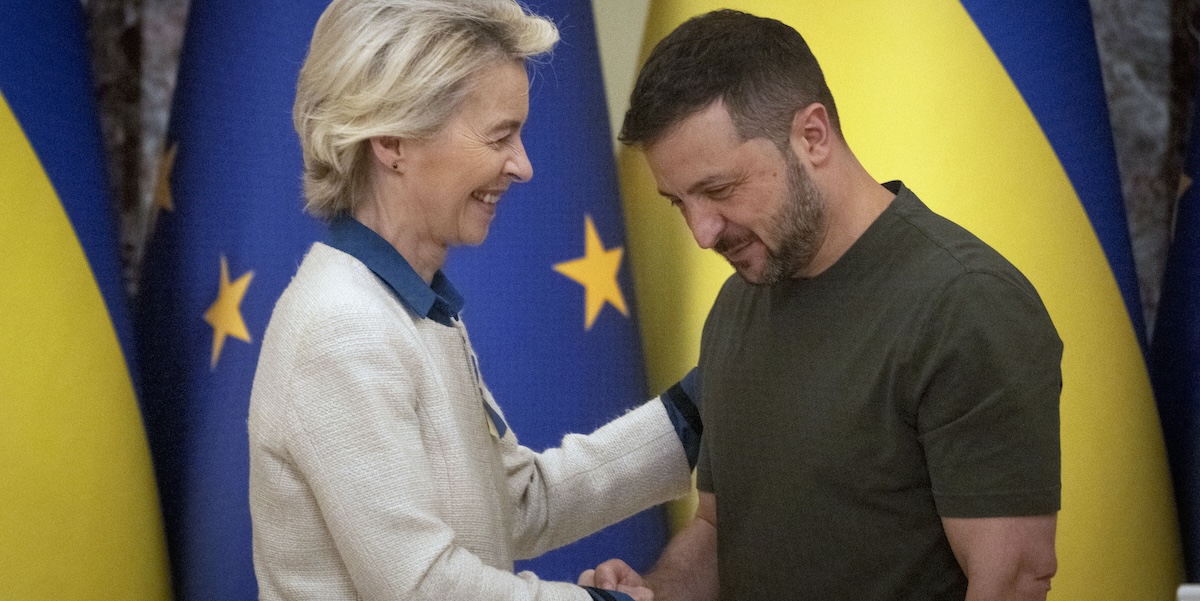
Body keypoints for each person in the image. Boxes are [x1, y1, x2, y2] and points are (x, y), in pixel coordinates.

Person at [580, 9, 1062, 601]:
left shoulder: (964, 304)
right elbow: (717, 529)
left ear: (812, 136)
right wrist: (652, 592)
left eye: (719, 189)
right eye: (679, 203)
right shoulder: (735, 305)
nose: (702, 233)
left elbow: (1013, 578)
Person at [248, 1, 701, 600]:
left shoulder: (411, 309)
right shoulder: (341, 328)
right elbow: (422, 586)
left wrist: (698, 410)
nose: (523, 166)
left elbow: (517, 503)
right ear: (393, 140)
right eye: (500, 135)